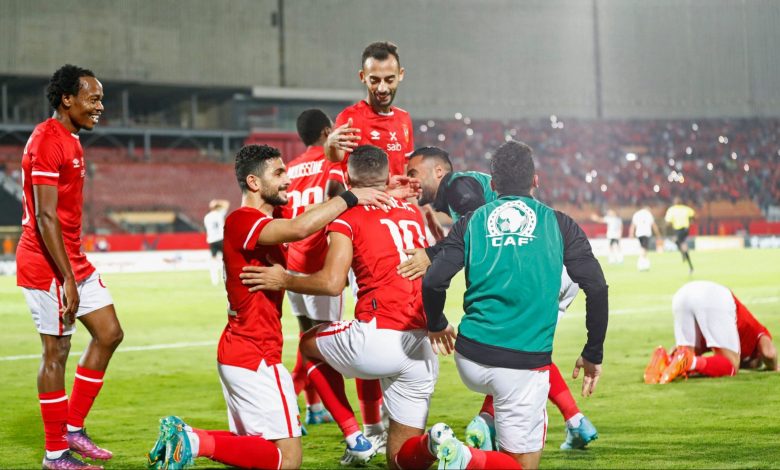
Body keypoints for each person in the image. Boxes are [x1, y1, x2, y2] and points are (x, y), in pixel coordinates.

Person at [240, 145, 517, 469]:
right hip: (421, 346)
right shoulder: (411, 211)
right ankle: (435, 443)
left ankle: (354, 435)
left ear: (348, 178)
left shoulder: (346, 215)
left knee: (308, 345)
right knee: (401, 459)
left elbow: (331, 283)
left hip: (378, 336)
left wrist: (283, 280)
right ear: (387, 177)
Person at [145, 144, 392, 470]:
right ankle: (193, 442)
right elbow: (301, 228)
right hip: (255, 355)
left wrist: (387, 191)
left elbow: (310, 214)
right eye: (279, 173)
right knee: (288, 459)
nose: (287, 180)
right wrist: (351, 196)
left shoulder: (272, 216)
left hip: (242, 351)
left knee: (257, 449)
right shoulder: (242, 220)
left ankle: (187, 438)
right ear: (254, 182)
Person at [422, 141, 609, 469]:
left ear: (493, 185)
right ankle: (465, 456)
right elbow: (596, 287)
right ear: (535, 180)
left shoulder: (471, 221)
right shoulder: (560, 223)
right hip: (521, 365)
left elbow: (433, 280)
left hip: (469, 359)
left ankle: (486, 420)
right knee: (521, 464)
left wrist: (436, 323)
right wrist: (592, 352)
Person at [16, 64, 122, 470]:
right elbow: (45, 218)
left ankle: (73, 428)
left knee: (109, 333)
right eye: (93, 99)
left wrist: (74, 271)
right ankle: (56, 453)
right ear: (67, 99)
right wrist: (67, 278)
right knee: (56, 352)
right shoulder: (47, 140)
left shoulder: (71, 139)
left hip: (71, 258)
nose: (100, 107)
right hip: (46, 263)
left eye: (101, 99)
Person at [278, 109, 346, 428]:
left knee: (306, 337)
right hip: (320, 263)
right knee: (326, 344)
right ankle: (289, 402)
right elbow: (339, 204)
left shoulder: (289, 169)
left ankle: (314, 407)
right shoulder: (333, 163)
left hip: (292, 263)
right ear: (327, 132)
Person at [644, 280, 777, 385]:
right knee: (731, 365)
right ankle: (690, 362)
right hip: (714, 297)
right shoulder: (758, 333)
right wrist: (776, 367)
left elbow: (683, 351)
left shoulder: (727, 336)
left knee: (684, 357)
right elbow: (769, 353)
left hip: (683, 295)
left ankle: (663, 360)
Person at [325, 41, 414, 178]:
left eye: (389, 80)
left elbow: (405, 167)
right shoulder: (350, 117)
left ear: (400, 74)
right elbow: (336, 157)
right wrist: (330, 144)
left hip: (398, 193)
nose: (382, 88)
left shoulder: (404, 118)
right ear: (363, 77)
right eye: (375, 80)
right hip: (366, 193)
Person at [664, 197, 695, 273]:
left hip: (679, 230)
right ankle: (683, 253)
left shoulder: (672, 210)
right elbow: (693, 214)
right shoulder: (685, 208)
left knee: (681, 244)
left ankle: (690, 265)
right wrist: (691, 221)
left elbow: (667, 221)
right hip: (686, 230)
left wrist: (668, 225)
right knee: (678, 242)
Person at [203, 199, 230, 285]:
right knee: (226, 260)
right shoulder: (219, 214)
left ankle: (214, 280)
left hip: (212, 240)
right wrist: (219, 202)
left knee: (213, 260)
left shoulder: (207, 217)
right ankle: (226, 277)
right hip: (221, 238)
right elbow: (227, 204)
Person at [629, 205, 661, 272]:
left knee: (643, 248)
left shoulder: (636, 214)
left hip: (639, 234)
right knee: (644, 249)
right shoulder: (648, 214)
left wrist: (631, 234)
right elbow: (653, 225)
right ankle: (641, 264)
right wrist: (658, 234)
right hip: (646, 233)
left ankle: (643, 263)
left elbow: (633, 225)